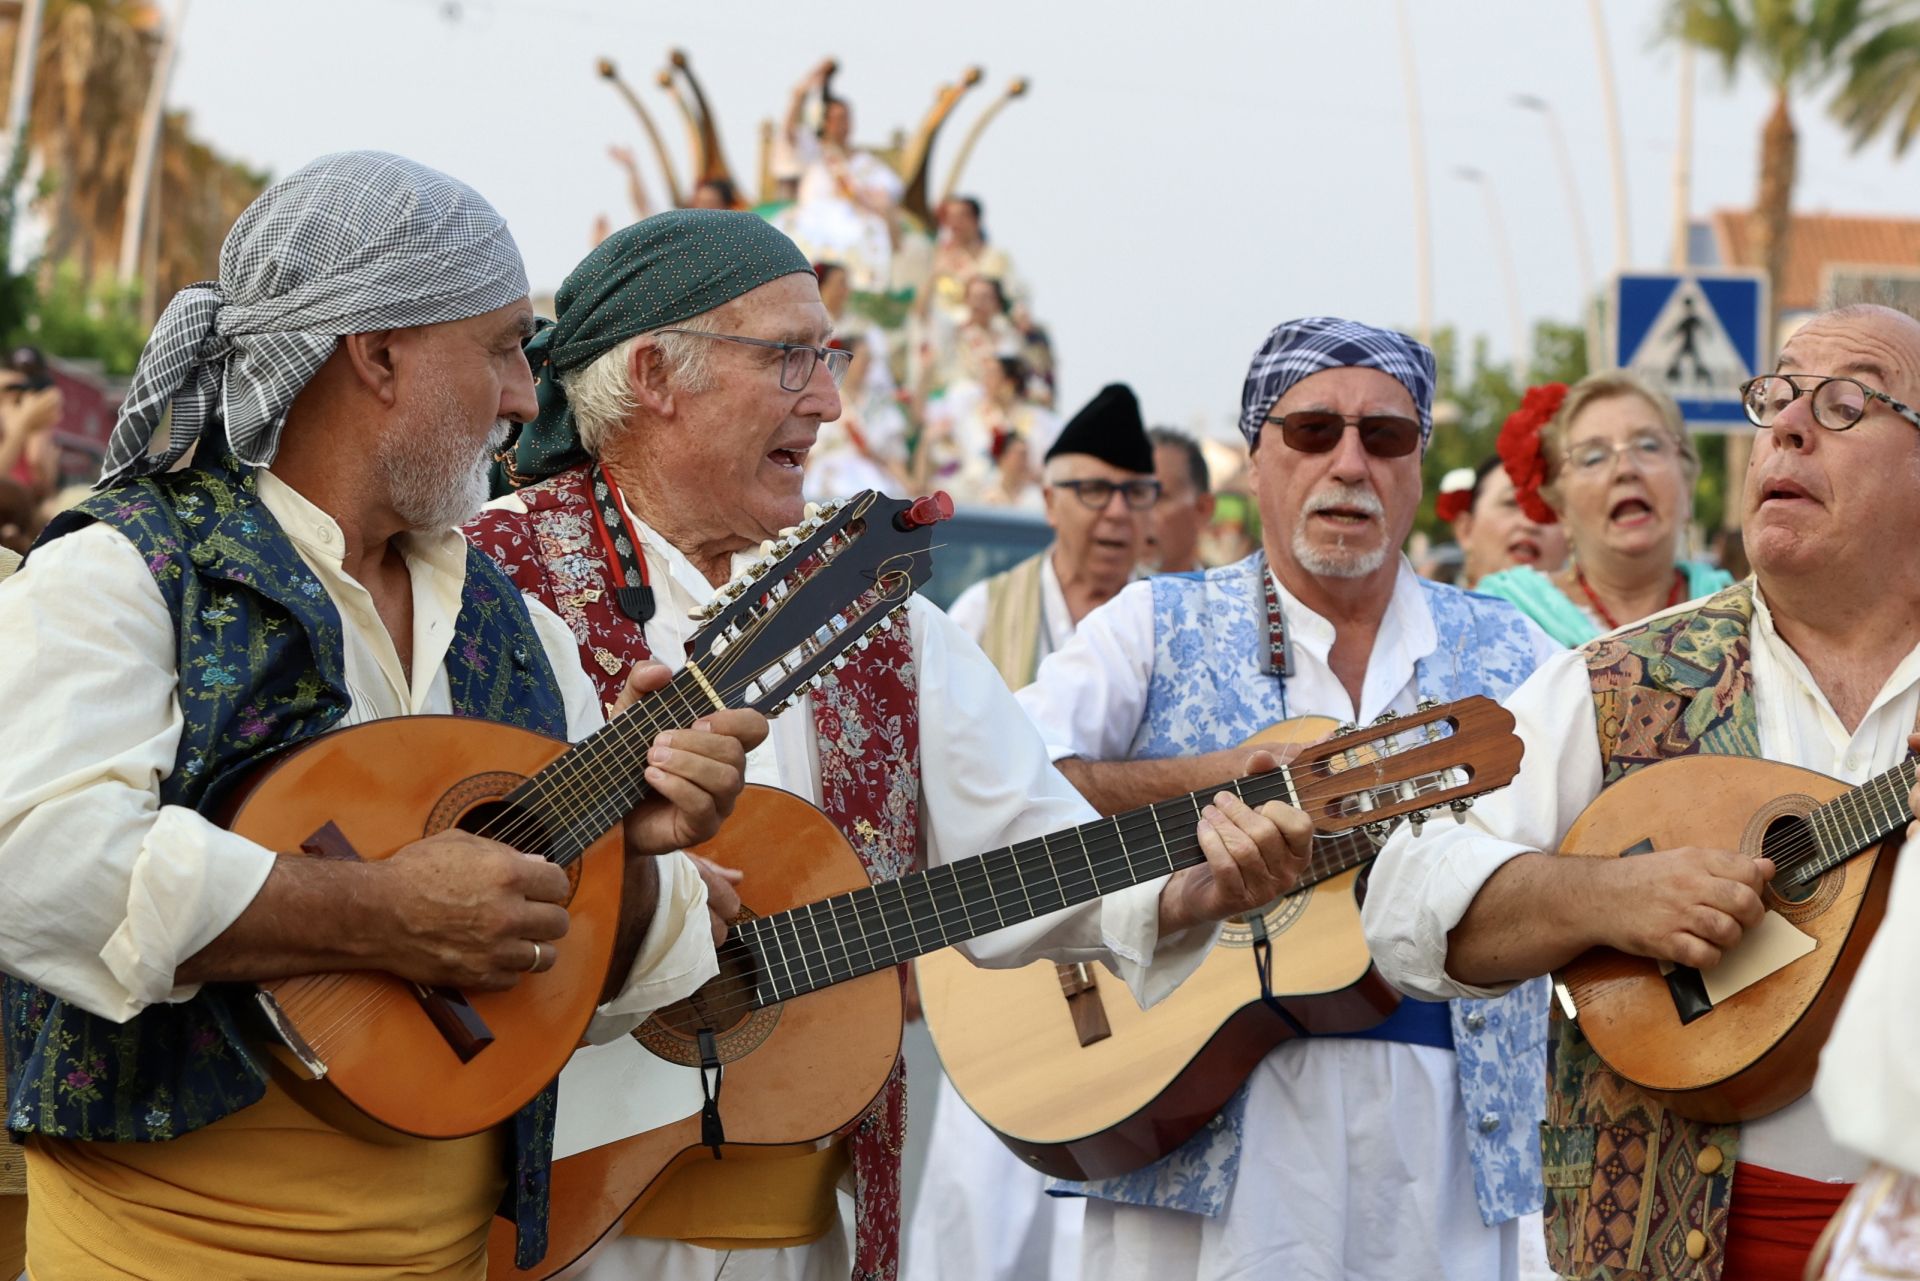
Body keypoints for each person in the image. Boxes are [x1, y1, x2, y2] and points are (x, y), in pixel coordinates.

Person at [467, 209, 1314, 1281]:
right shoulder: (482, 583)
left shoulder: (867, 608)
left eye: (830, 359)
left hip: (801, 1238)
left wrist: (1189, 890)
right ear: (654, 376)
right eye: (790, 357)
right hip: (540, 1228)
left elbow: (1030, 842)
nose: (829, 402)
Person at [0, 152, 764, 1279]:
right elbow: (37, 863)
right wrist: (379, 910)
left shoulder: (519, 631)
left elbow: (585, 985)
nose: (526, 397)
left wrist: (629, 855)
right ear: (380, 354)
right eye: (502, 348)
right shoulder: (127, 572)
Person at [1362, 303, 1920, 1280]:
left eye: (1844, 404)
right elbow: (1405, 897)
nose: (1788, 427)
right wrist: (1604, 897)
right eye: (1776, 397)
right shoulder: (1618, 683)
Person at [1010, 316, 1559, 1281]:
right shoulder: (1155, 623)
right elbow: (1009, 788)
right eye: (1312, 431)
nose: (1350, 462)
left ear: (1418, 465)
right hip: (1189, 1124)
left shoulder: (1518, 653)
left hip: (1442, 1145)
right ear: (1256, 459)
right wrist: (1217, 778)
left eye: (1384, 435)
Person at [1476, 372, 1731, 645]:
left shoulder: (1740, 612)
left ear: (1687, 484)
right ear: (1560, 508)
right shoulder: (1506, 618)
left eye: (1648, 446)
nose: (1626, 469)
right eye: (1594, 457)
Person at [946, 383, 1158, 688]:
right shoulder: (983, 615)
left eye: (1136, 493)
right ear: (1050, 503)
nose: (1118, 511)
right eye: (1095, 490)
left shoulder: (1167, 620)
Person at [776, 58, 901, 293]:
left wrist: (871, 199)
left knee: (868, 234)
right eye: (835, 119)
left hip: (852, 219)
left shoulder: (864, 162)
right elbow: (789, 132)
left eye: (845, 118)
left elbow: (888, 191)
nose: (841, 124)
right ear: (824, 122)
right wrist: (801, 93)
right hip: (810, 217)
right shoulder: (814, 151)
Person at [1438, 455, 1569, 590]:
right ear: (1466, 529)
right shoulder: (1429, 602)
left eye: (1547, 510)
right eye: (1511, 503)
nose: (1531, 524)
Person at [1145, 427, 1216, 574]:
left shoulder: (1229, 588)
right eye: (1133, 495)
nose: (1137, 512)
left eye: (1157, 498)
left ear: (1202, 509)